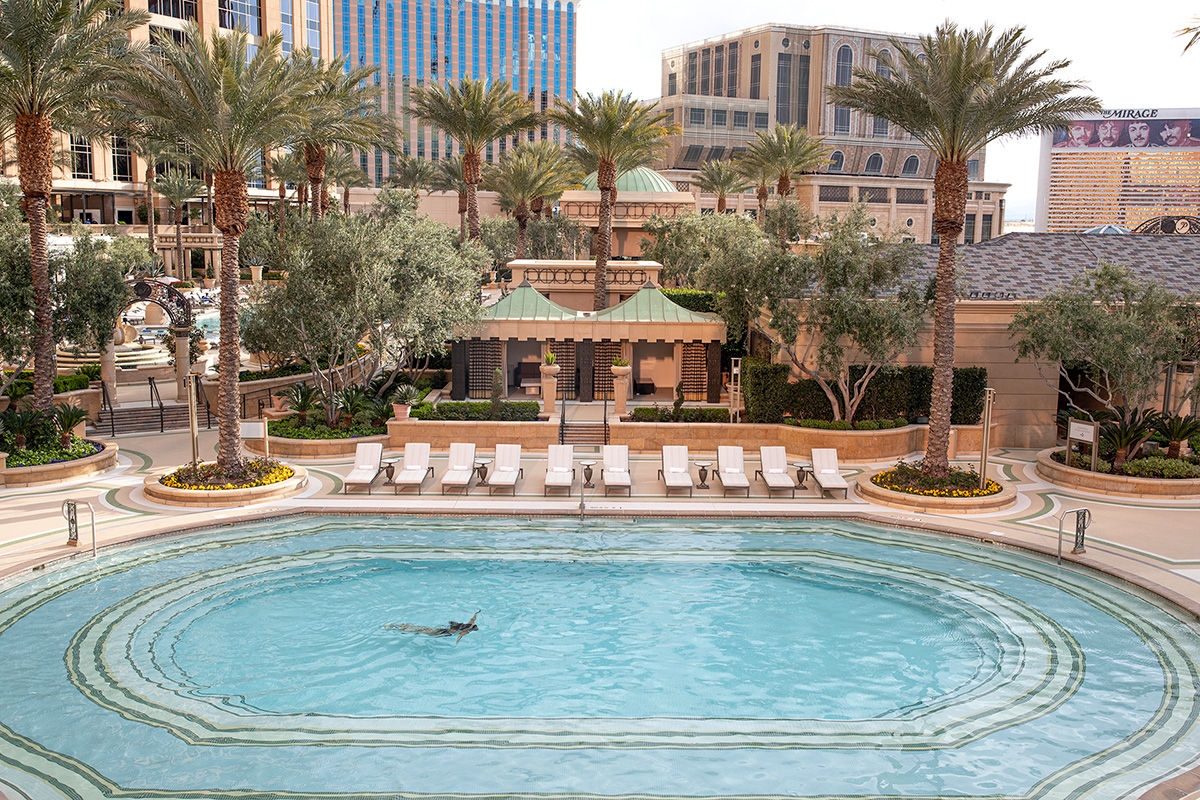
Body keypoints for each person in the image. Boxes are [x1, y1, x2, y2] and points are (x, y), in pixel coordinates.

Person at [386, 610, 480, 643]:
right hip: (443, 632)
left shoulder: (466, 625)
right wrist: (457, 643)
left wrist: (477, 613)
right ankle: (395, 627)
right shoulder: (466, 631)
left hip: (443, 629)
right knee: (421, 631)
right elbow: (459, 637)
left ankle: (401, 626)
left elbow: (473, 619)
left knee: (423, 629)